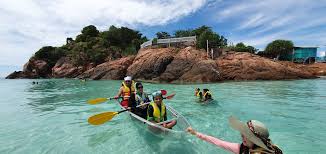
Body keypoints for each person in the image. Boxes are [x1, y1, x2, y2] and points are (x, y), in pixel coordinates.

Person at [187, 116, 283, 154]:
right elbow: (218, 142)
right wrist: (196, 133)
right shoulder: (242, 148)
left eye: (246, 134)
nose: (241, 135)